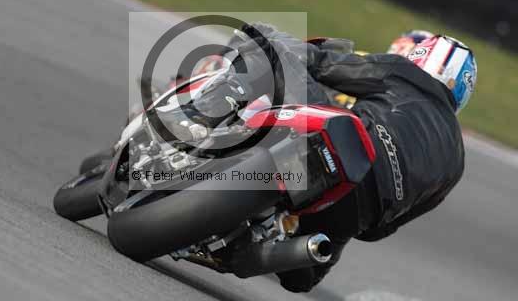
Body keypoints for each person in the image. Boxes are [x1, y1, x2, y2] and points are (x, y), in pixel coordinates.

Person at [157, 23, 476, 292]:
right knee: (302, 277)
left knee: (264, 41)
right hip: (355, 214)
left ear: (422, 57)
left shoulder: (404, 73)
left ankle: (195, 116)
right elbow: (380, 231)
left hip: (336, 144)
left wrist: (294, 49)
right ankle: (248, 246)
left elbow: (323, 64)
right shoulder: (457, 162)